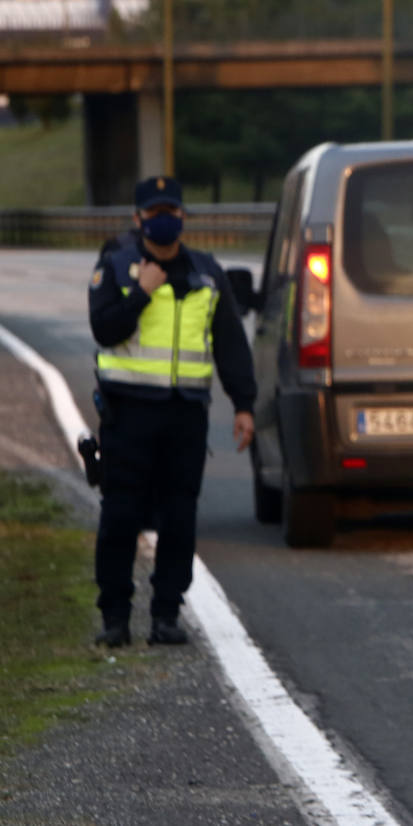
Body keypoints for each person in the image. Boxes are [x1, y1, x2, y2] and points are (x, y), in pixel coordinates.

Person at [88, 175, 256, 647]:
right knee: (120, 517)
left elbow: (230, 344)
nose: (164, 219)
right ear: (138, 219)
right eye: (154, 212)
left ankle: (166, 615)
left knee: (179, 519)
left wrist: (243, 404)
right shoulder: (116, 267)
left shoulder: (206, 273)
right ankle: (115, 617)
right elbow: (103, 329)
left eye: (171, 210)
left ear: (182, 216)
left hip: (185, 416)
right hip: (128, 415)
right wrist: (141, 292)